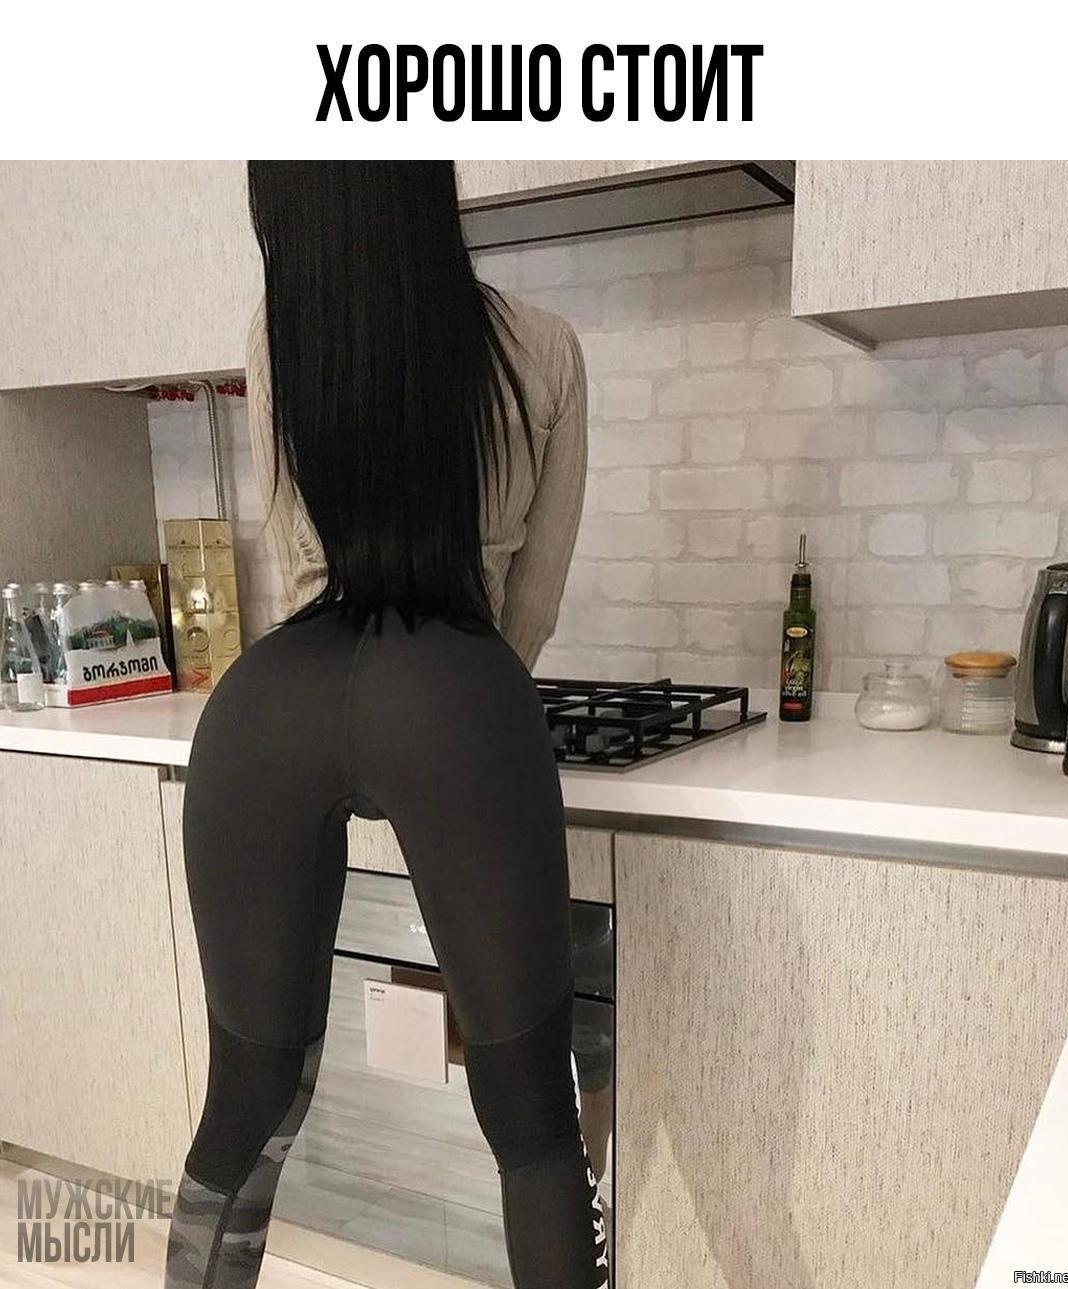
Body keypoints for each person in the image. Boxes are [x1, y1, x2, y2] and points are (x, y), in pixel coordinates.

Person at [163, 160, 605, 1289]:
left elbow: (294, 557)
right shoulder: (546, 348)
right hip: (457, 690)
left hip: (264, 708)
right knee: (533, 1125)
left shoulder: (280, 338)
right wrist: (469, 720)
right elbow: (532, 607)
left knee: (249, 1099)